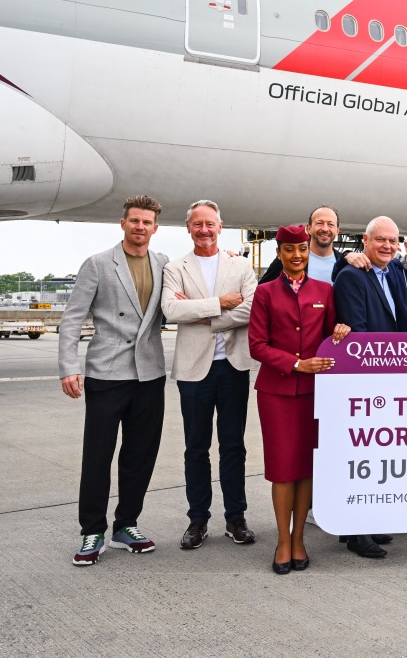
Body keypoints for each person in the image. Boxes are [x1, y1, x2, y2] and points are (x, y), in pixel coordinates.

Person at [58, 195, 168, 566]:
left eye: (147, 222)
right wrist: (68, 367)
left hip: (149, 372)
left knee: (140, 455)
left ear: (155, 227)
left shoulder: (164, 263)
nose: (140, 227)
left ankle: (126, 524)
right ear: (123, 223)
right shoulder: (98, 264)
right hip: (106, 373)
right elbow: (72, 319)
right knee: (98, 455)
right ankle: (92, 530)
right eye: (134, 220)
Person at [248, 225, 349, 574]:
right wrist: (295, 364)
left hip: (314, 393)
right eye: (289, 250)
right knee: (282, 469)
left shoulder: (325, 290)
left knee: (306, 469)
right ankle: (282, 540)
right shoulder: (264, 293)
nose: (296, 256)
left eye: (302, 249)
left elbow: (331, 334)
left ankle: (299, 537)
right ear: (279, 254)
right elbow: (256, 346)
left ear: (308, 251)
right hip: (276, 391)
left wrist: (341, 329)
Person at [161, 199, 258, 551]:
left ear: (221, 226)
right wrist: (221, 303)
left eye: (210, 224)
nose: (204, 229)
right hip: (194, 371)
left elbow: (251, 308)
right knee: (196, 448)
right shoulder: (175, 267)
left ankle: (236, 517)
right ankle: (197, 519)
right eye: (197, 224)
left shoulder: (241, 265)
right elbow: (170, 309)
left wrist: (201, 315)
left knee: (234, 446)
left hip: (232, 367)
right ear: (189, 228)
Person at [328, 215, 406, 558]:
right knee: (359, 456)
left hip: (386, 377)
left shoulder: (391, 274)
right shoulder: (351, 275)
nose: (388, 246)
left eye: (393, 240)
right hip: (364, 379)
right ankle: (356, 531)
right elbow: (357, 334)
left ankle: (363, 524)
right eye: (381, 240)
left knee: (375, 456)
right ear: (365, 240)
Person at [259, 205, 344, 285]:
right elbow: (263, 290)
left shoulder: (343, 264)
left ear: (337, 231)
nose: (325, 229)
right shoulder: (290, 259)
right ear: (309, 228)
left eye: (331, 224)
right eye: (319, 223)